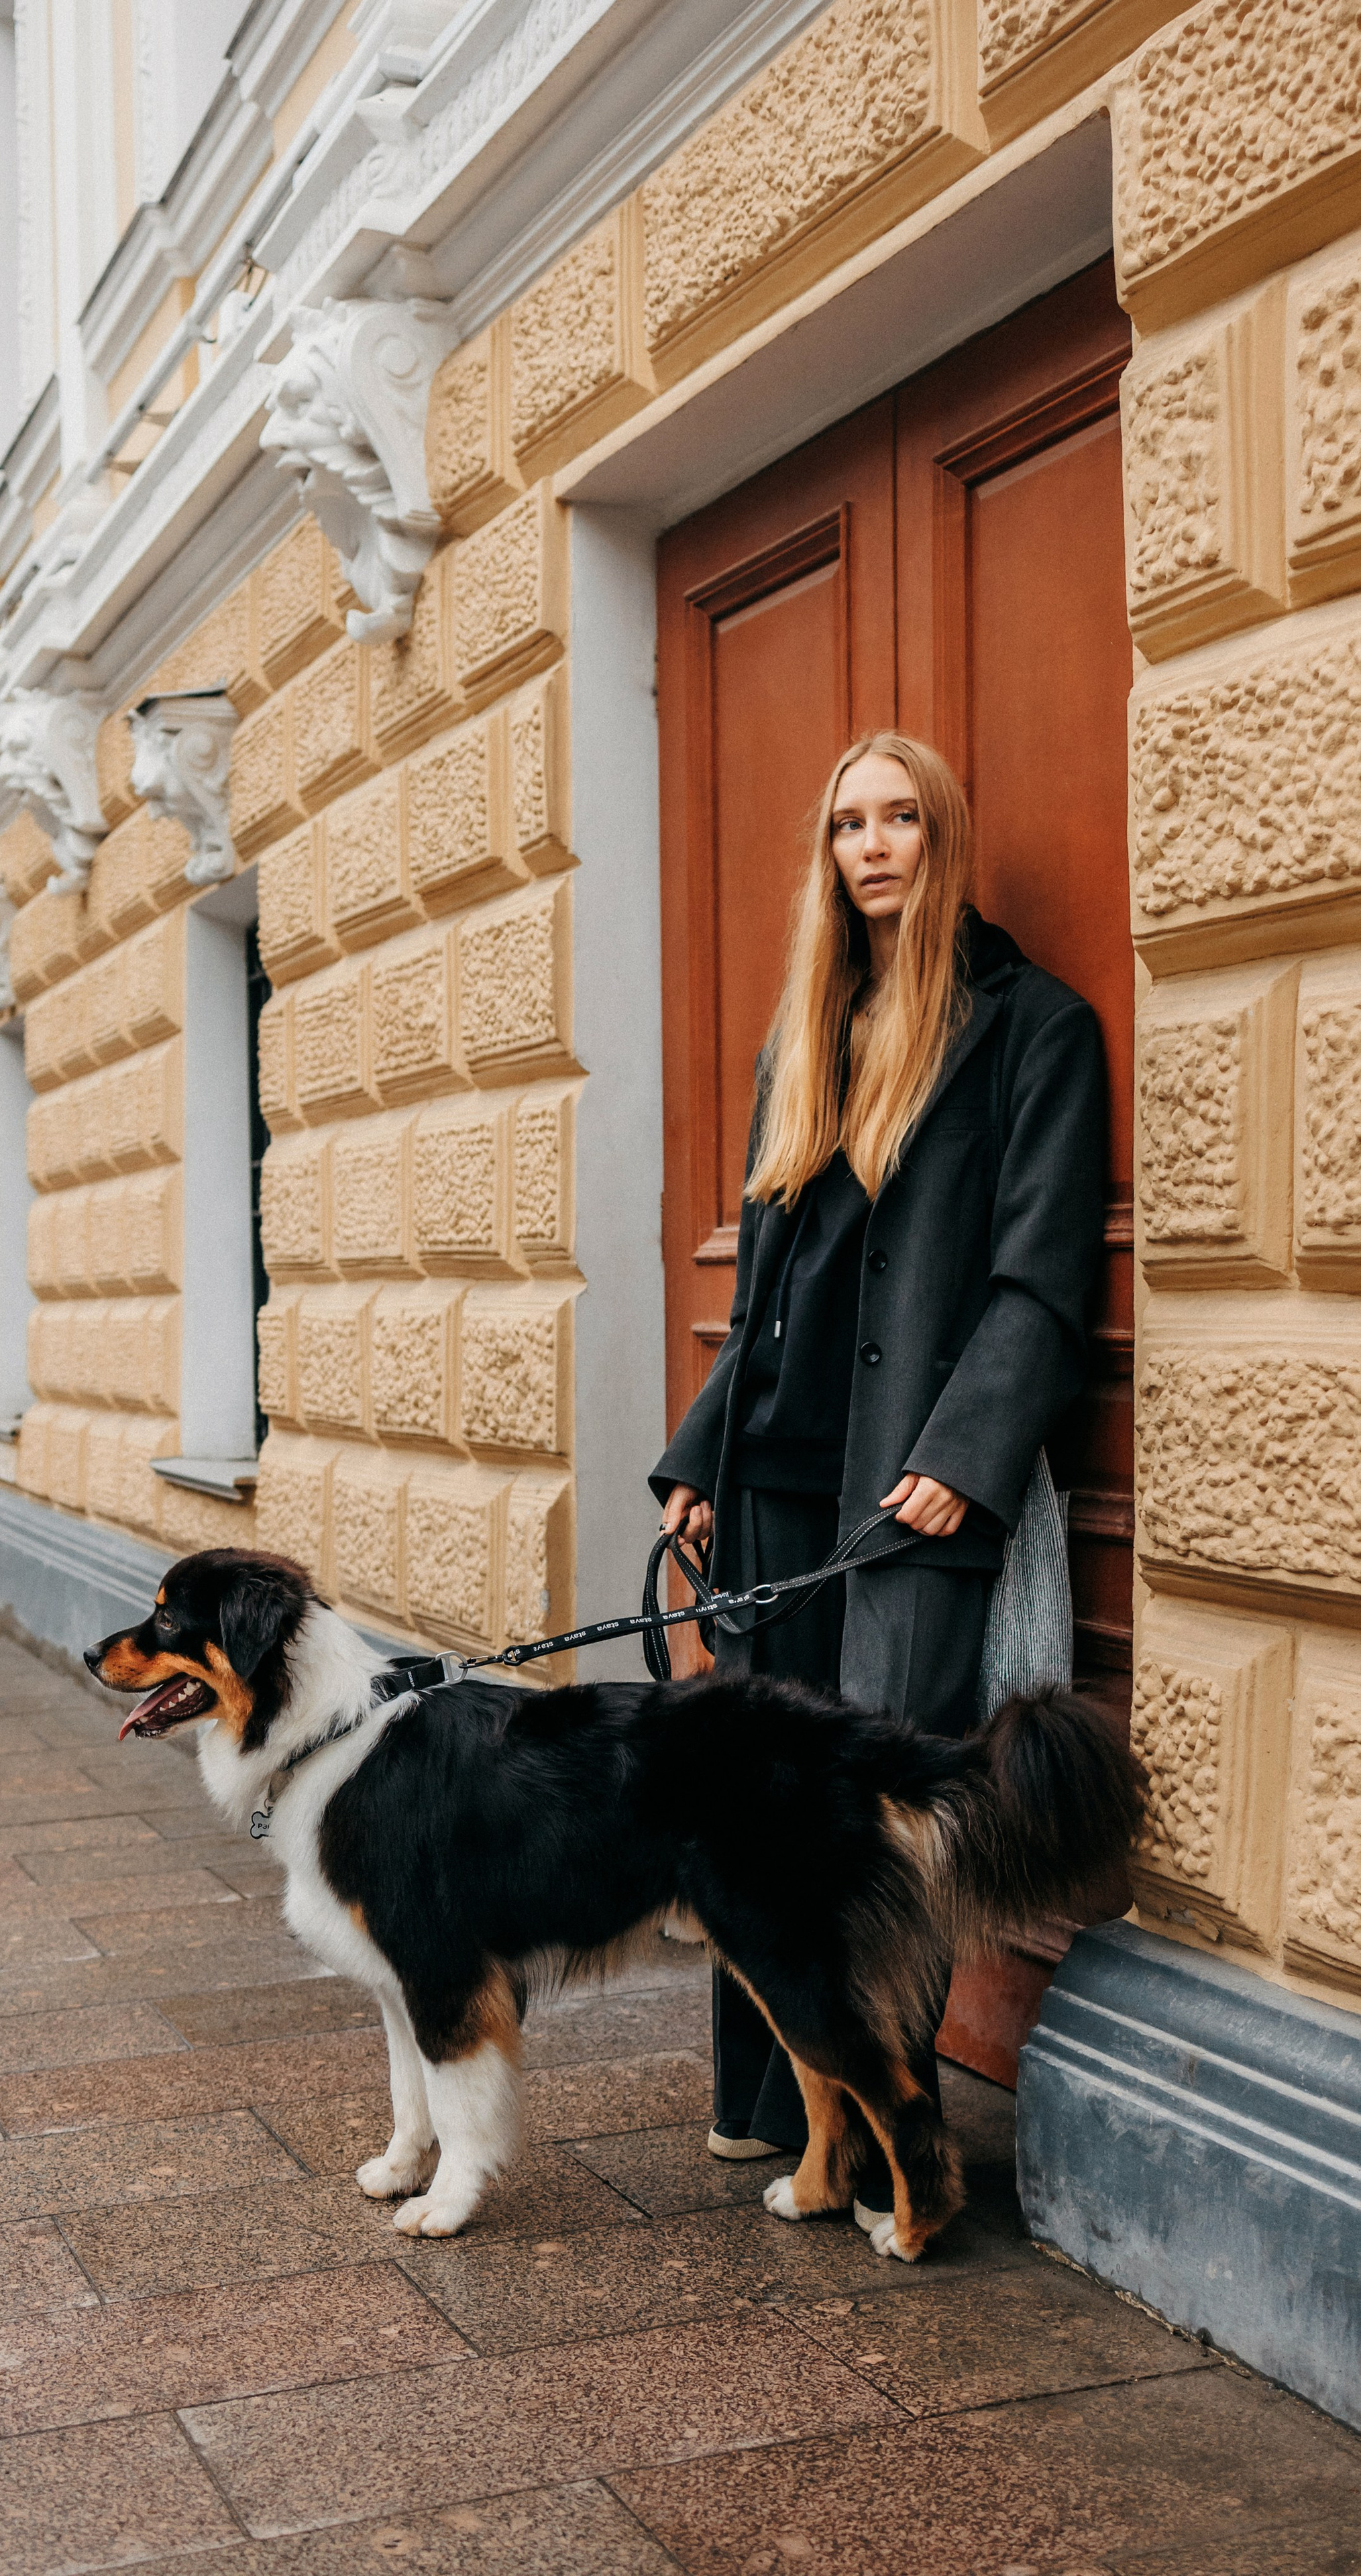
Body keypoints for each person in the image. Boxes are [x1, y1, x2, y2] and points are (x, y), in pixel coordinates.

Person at [651, 730, 1106, 2236]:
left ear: (941, 838)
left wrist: (964, 1457)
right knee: (757, 1805)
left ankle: (885, 2143)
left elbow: (1039, 1279)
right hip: (772, 1483)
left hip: (908, 1485)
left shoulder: (1033, 1029)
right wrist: (697, 1460)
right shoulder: (804, 1034)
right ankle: (772, 2110)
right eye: (849, 823)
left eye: (901, 818)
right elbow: (764, 1287)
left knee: (872, 1818)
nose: (872, 845)